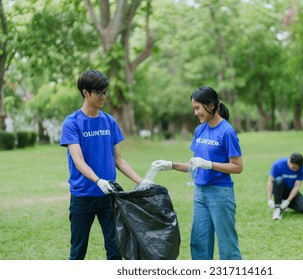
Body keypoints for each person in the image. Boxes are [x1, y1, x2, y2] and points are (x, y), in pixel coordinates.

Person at [151, 86, 243, 260]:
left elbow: (237, 167)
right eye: (194, 108)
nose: (195, 113)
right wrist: (170, 165)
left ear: (211, 105)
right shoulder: (200, 130)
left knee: (227, 244)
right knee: (199, 243)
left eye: (197, 108)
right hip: (200, 194)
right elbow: (195, 165)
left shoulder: (227, 132)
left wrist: (210, 164)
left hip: (220, 193)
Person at [60, 69, 143, 260]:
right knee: (78, 252)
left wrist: (142, 181)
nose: (103, 97)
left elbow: (119, 160)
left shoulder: (109, 121)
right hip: (83, 197)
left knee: (115, 250)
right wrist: (98, 181)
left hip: (109, 197)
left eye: (105, 92)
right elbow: (78, 160)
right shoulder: (72, 123)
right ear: (85, 92)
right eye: (99, 93)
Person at [266, 153, 303, 220]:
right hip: (278, 189)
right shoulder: (278, 164)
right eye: (293, 167)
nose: (295, 170)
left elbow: (296, 186)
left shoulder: (302, 169)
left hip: (290, 190)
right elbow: (270, 181)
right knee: (278, 180)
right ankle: (277, 209)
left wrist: (288, 201)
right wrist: (269, 199)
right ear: (289, 161)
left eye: (297, 168)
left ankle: (284, 203)